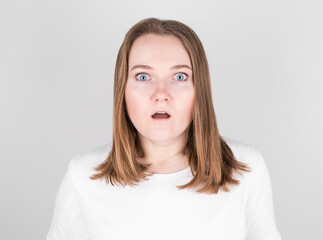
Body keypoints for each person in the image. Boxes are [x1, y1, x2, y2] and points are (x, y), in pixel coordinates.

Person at [46, 17, 282, 240]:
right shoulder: (83, 175)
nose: (161, 94)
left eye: (179, 76)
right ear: (123, 90)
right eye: (143, 76)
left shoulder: (247, 169)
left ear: (199, 90)